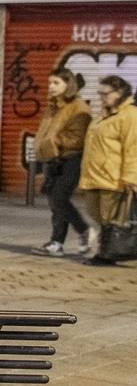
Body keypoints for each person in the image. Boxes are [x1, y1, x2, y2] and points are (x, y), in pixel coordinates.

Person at [78, 74, 137, 266]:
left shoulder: (130, 115)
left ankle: (106, 254)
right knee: (96, 214)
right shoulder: (102, 115)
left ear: (120, 92)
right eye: (100, 93)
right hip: (93, 176)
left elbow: (133, 149)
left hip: (113, 178)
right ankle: (108, 251)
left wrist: (131, 178)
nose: (102, 97)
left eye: (106, 93)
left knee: (109, 219)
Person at [32, 69, 91, 257]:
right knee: (55, 202)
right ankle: (57, 243)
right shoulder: (53, 106)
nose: (51, 86)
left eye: (56, 83)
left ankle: (84, 230)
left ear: (69, 84)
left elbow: (78, 139)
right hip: (53, 159)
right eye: (50, 83)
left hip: (71, 158)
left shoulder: (78, 107)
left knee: (59, 197)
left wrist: (55, 141)